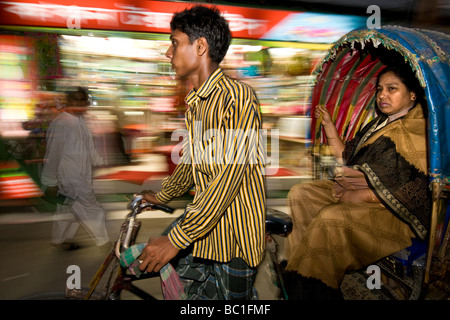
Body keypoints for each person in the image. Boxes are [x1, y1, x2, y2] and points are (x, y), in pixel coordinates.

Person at [135, 5, 266, 300]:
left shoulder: (237, 98)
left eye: (174, 43)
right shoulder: (197, 103)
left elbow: (227, 178)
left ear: (201, 46)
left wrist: (176, 239)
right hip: (205, 228)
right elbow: (192, 161)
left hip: (235, 237)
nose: (168, 53)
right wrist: (164, 195)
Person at [283, 61, 431, 299]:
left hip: (394, 213)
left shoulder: (417, 128)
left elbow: (414, 188)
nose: (382, 95)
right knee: (301, 193)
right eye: (380, 89)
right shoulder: (379, 124)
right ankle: (302, 267)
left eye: (391, 89)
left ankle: (314, 287)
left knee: (331, 217)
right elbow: (346, 155)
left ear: (412, 94)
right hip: (358, 194)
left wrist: (359, 195)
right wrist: (330, 126)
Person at [41, 87, 109, 250]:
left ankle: (59, 240)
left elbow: (88, 147)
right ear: (68, 102)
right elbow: (53, 155)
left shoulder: (80, 121)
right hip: (70, 177)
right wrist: (50, 182)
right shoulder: (61, 124)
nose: (80, 104)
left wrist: (99, 161)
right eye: (76, 100)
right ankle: (105, 243)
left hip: (80, 174)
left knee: (67, 210)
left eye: (83, 101)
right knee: (92, 209)